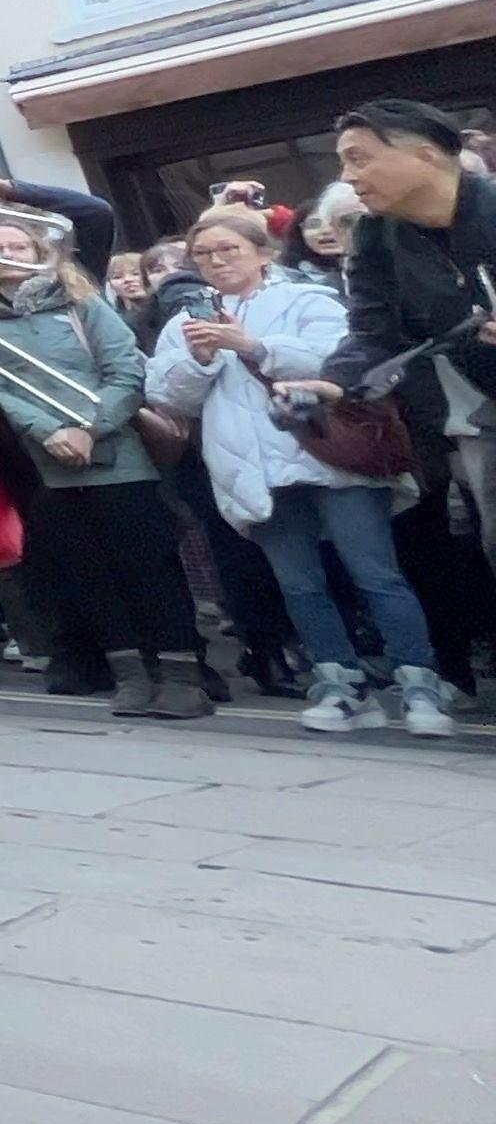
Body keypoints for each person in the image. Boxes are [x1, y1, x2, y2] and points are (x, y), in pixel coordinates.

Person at [149, 207, 451, 738]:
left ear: (262, 252)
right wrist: (197, 360)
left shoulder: (308, 299)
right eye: (204, 254)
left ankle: (421, 684)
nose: (216, 261)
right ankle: (341, 685)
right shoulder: (184, 322)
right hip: (251, 464)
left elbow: (342, 361)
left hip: (329, 452)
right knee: (299, 583)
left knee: (376, 573)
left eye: (229, 250)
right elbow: (167, 398)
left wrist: (256, 347)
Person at [0, 219, 210, 720]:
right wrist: (48, 430)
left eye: (18, 244)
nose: (8, 253)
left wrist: (91, 429)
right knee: (89, 574)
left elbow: (126, 371)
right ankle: (130, 673)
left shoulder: (83, 305)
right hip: (43, 465)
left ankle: (181, 674)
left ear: (38, 249)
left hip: (118, 460)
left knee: (151, 568)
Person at [328, 101, 496, 703]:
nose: (349, 176)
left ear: (425, 152)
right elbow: (372, 331)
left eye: (360, 158)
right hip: (481, 417)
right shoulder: (376, 235)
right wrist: (334, 382)